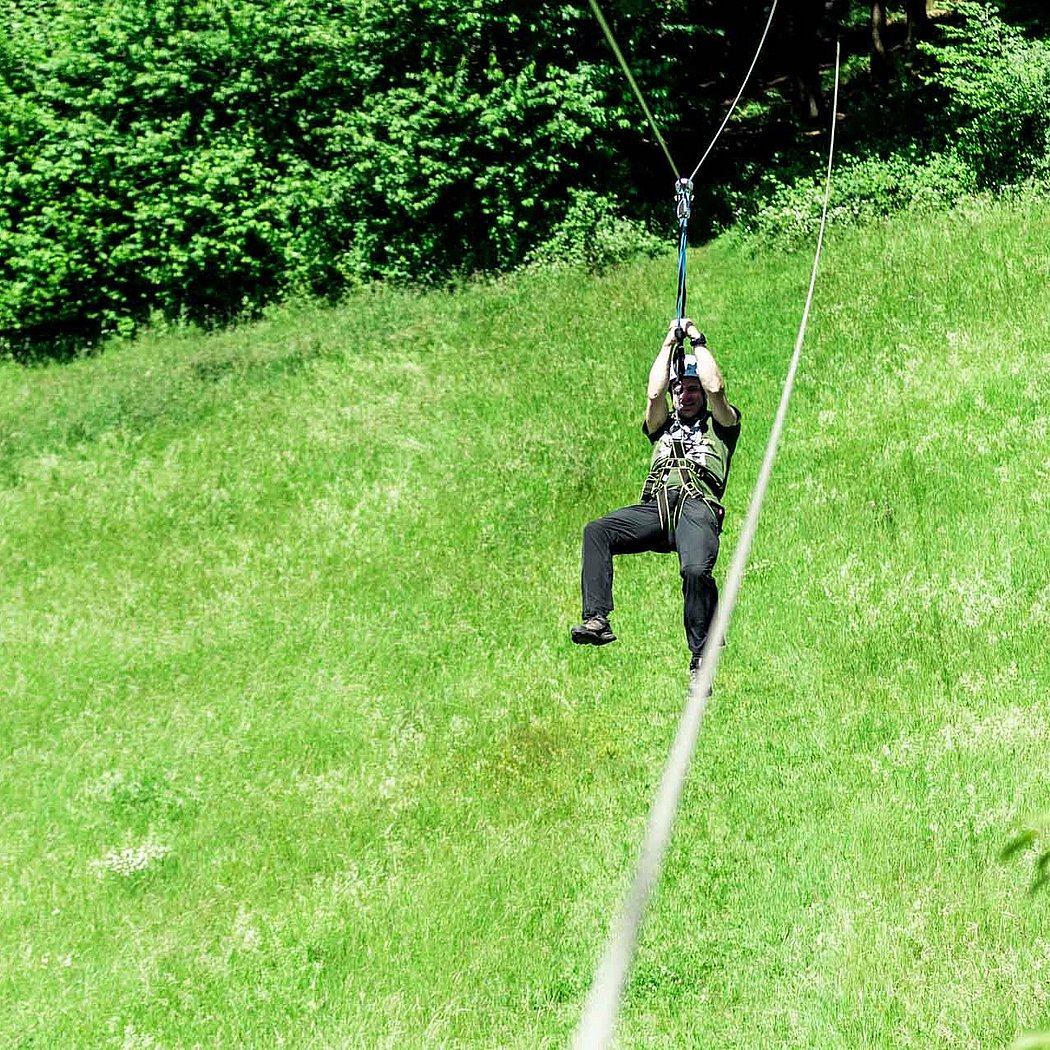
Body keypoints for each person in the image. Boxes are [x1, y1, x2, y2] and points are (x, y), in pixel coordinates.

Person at [570, 318, 741, 682]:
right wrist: (667, 345)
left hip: (697, 506)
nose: (686, 395)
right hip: (659, 509)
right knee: (597, 531)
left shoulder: (722, 426)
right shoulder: (661, 426)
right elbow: (653, 395)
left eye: (691, 389)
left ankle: (701, 658)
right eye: (680, 390)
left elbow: (716, 387)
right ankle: (597, 617)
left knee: (695, 571)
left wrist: (696, 339)